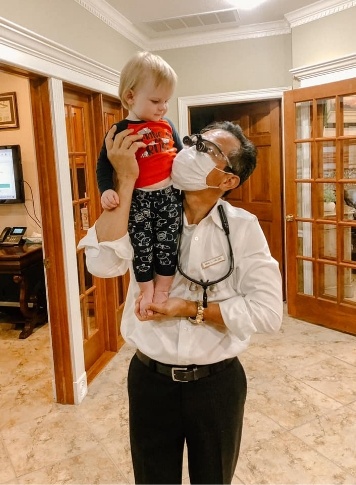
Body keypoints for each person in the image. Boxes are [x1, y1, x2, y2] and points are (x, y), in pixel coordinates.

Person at [79, 120, 283, 485]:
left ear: (227, 180)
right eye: (193, 142)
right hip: (150, 380)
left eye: (207, 150)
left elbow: (268, 315)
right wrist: (126, 182)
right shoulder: (142, 211)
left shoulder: (242, 227)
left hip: (216, 385)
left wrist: (191, 309)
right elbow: (100, 264)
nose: (190, 151)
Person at [96, 51, 183, 316]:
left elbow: (182, 156)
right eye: (156, 100)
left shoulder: (167, 125)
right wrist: (107, 190)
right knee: (142, 246)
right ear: (130, 97)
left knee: (169, 244)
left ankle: (163, 290)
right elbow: (103, 165)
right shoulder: (119, 130)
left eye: (166, 101)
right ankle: (146, 290)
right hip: (138, 198)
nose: (163, 108)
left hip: (169, 194)